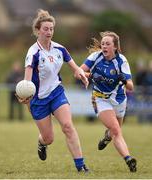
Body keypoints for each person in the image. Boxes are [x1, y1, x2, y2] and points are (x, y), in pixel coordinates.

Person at [16, 9, 89, 172]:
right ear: (38, 30)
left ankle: (81, 166)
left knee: (68, 126)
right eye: (45, 29)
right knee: (49, 138)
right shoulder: (33, 52)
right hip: (39, 99)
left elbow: (75, 67)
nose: (49, 32)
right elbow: (27, 80)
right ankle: (42, 143)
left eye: (51, 29)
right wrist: (25, 95)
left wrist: (81, 74)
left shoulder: (60, 49)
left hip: (56, 93)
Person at [80, 31, 137, 172]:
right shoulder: (95, 57)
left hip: (119, 99)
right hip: (100, 99)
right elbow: (79, 72)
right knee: (116, 130)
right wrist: (92, 75)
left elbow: (131, 87)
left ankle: (106, 138)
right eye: (103, 43)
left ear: (115, 47)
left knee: (115, 131)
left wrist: (124, 79)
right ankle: (129, 159)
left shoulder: (121, 61)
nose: (104, 46)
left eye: (107, 44)